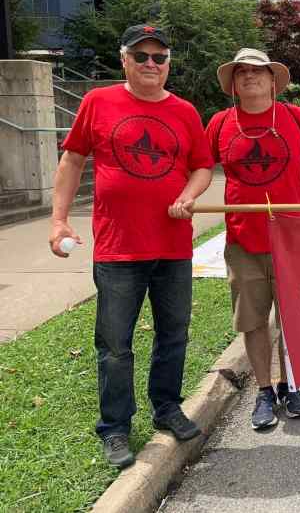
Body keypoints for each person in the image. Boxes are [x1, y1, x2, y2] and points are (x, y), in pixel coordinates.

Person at [49, 25, 214, 468]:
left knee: (173, 335)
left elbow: (202, 166)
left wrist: (189, 195)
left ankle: (167, 408)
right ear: (124, 59)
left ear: (168, 64)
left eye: (159, 57)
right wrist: (59, 219)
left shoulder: (184, 111)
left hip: (173, 247)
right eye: (140, 56)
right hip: (119, 250)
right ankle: (115, 428)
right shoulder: (98, 102)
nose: (150, 65)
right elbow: (72, 160)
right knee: (115, 345)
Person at [206, 48, 300, 430]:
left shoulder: (294, 118)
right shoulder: (221, 123)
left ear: (273, 81)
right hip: (243, 241)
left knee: (290, 320)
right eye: (241, 72)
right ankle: (264, 391)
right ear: (233, 84)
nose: (250, 76)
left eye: (257, 71)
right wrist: (182, 198)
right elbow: (197, 167)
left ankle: (291, 385)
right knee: (253, 321)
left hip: (291, 239)